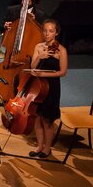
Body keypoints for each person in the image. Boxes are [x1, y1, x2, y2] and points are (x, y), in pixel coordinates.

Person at [27, 18, 68, 158]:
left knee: (47, 120)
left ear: (56, 33)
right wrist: (40, 56)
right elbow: (32, 68)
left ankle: (47, 148)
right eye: (45, 30)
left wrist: (43, 74)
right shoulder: (39, 47)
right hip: (37, 88)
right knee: (37, 118)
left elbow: (62, 72)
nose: (47, 33)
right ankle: (39, 146)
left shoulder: (61, 50)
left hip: (52, 88)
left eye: (51, 31)